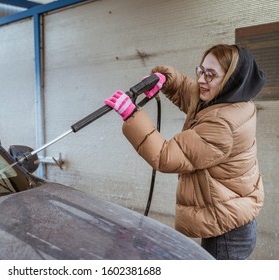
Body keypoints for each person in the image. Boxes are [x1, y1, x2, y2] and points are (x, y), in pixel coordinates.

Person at [104, 44, 265, 260]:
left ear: (231, 80)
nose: (201, 80)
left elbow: (166, 156)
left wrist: (132, 115)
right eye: (200, 70)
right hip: (230, 213)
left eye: (211, 75)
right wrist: (166, 81)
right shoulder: (228, 100)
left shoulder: (223, 123)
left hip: (228, 232)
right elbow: (190, 93)